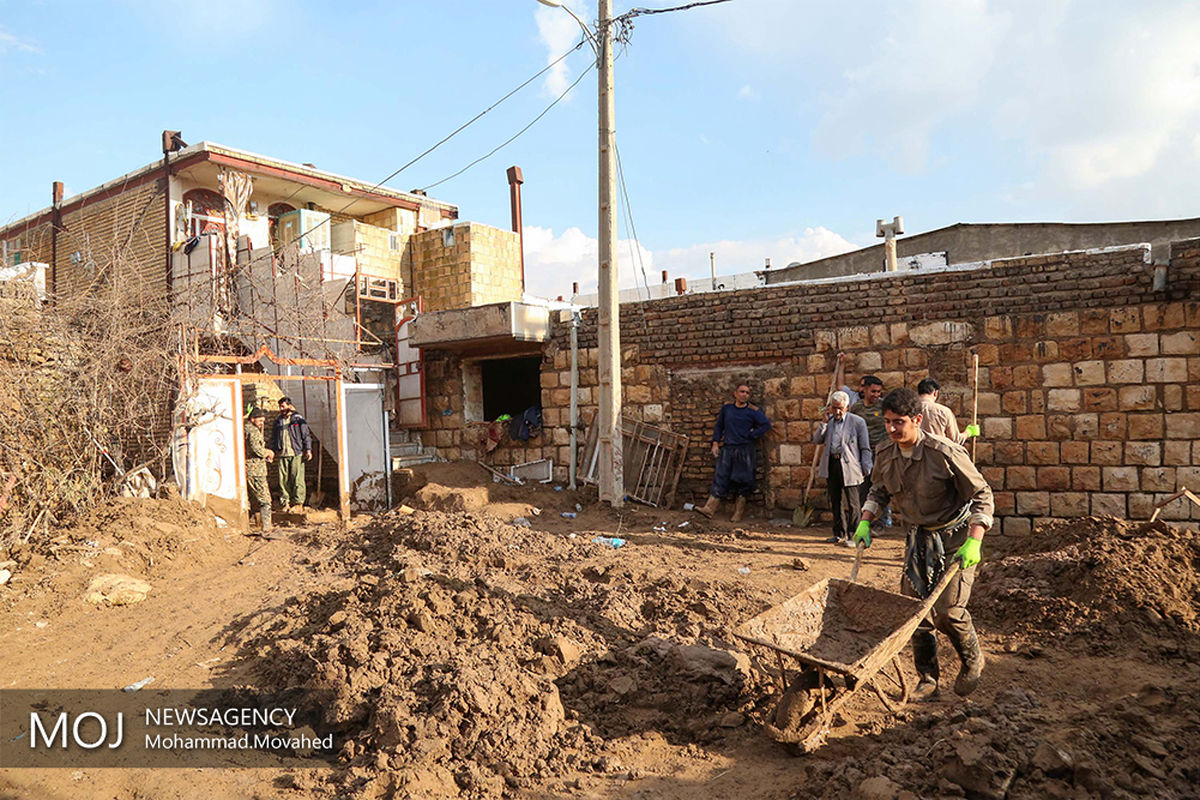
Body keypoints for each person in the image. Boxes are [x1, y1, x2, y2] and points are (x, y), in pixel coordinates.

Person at [854, 387, 993, 701]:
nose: (892, 428)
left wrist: (975, 541)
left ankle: (973, 660)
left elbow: (982, 495)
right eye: (888, 421)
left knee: (950, 611)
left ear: (917, 419)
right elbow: (878, 490)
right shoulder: (885, 453)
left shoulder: (944, 452)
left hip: (955, 538)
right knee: (915, 612)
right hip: (918, 539)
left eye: (899, 422)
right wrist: (865, 519)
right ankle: (927, 680)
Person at [695, 383, 771, 523]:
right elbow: (719, 426)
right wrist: (715, 443)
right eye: (742, 392)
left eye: (747, 393)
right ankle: (709, 508)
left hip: (745, 450)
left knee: (743, 480)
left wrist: (752, 434)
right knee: (721, 476)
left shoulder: (753, 411)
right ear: (735, 393)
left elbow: (766, 425)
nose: (744, 395)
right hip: (728, 448)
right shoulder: (727, 409)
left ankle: (738, 513)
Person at [812, 390, 872, 546]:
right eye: (834, 408)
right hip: (832, 464)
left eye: (840, 408)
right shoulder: (829, 421)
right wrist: (824, 423)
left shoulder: (857, 422)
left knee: (853, 503)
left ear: (847, 407)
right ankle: (839, 533)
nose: (837, 411)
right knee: (835, 500)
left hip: (851, 466)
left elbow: (865, 447)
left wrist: (866, 466)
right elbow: (817, 440)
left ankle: (854, 536)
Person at [271, 396, 312, 511]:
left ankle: (298, 503)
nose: (281, 408)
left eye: (283, 406)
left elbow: (306, 436)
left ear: (289, 405)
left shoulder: (298, 419)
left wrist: (308, 450)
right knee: (282, 480)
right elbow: (274, 438)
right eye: (280, 406)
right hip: (283, 454)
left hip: (296, 453)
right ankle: (285, 502)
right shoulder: (278, 421)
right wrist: (273, 451)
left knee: (297, 478)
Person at [916, 378, 980, 445]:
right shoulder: (943, 411)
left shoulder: (909, 409)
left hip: (913, 453)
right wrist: (968, 432)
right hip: (937, 453)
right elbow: (954, 440)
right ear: (935, 393)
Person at [245, 408, 274, 534]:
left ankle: (252, 524)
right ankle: (266, 527)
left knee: (253, 499)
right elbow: (256, 449)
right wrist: (268, 452)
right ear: (253, 419)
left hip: (249, 469)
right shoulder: (253, 431)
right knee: (265, 500)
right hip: (255, 471)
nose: (262, 423)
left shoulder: (246, 429)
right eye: (260, 420)